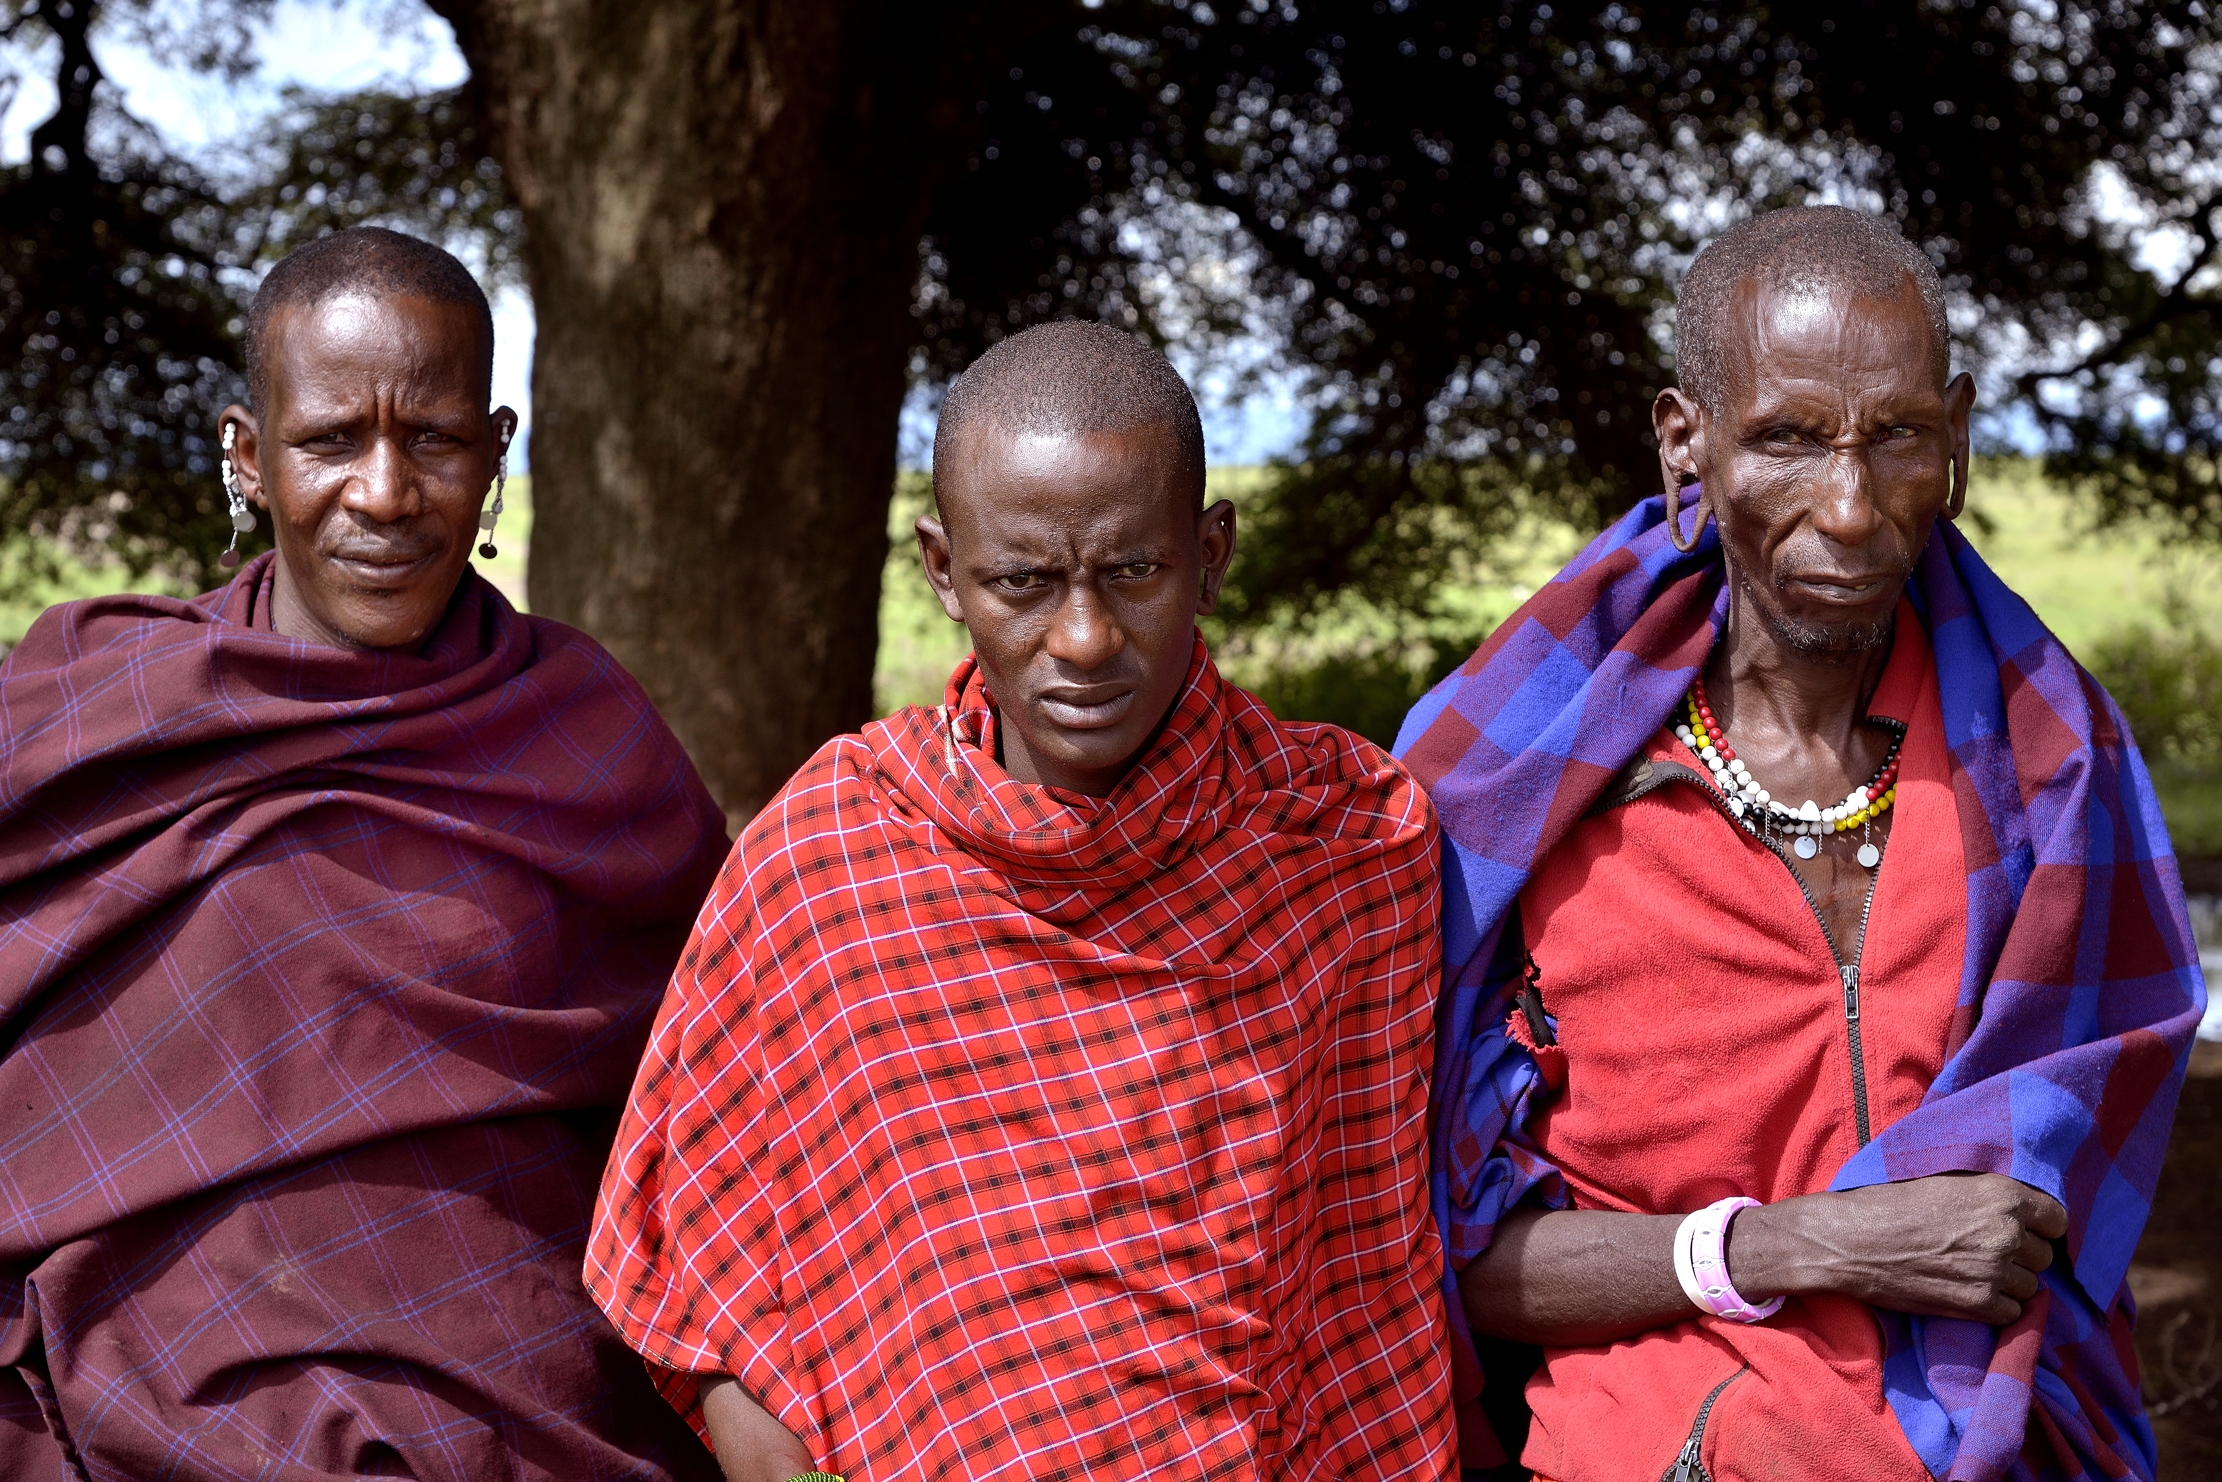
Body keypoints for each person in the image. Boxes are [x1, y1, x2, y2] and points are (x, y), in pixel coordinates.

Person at [1396, 206, 2206, 1482]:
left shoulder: (2053, 773)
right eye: (1785, 438)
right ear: (1687, 442)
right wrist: (1792, 1246)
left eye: (1897, 437)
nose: (1848, 507)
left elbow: (2033, 1242)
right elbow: (1435, 1253)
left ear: (1954, 438)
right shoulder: (1503, 796)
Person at [587, 321, 1456, 1481]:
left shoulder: (1338, 845)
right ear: (942, 571)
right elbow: (704, 1287)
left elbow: (1363, 1278)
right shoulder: (833, 855)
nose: (1084, 640)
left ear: (1209, 555)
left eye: (1133, 572)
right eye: (1022, 583)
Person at [0, 227, 728, 1481]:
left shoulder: (586, 739)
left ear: (494, 451)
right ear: (249, 454)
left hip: (510, 1395)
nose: (385, 494)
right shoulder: (101, 707)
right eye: (332, 440)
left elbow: (712, 1097)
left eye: (433, 439)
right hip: (137, 1377)